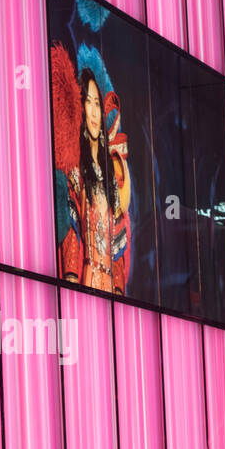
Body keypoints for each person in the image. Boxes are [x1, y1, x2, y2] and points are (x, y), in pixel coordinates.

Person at [60, 68, 132, 293]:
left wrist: (119, 291)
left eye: (97, 104)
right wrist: (71, 279)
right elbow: (72, 232)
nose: (93, 112)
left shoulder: (112, 176)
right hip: (87, 279)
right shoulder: (76, 170)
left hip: (111, 284)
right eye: (88, 102)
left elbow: (118, 243)